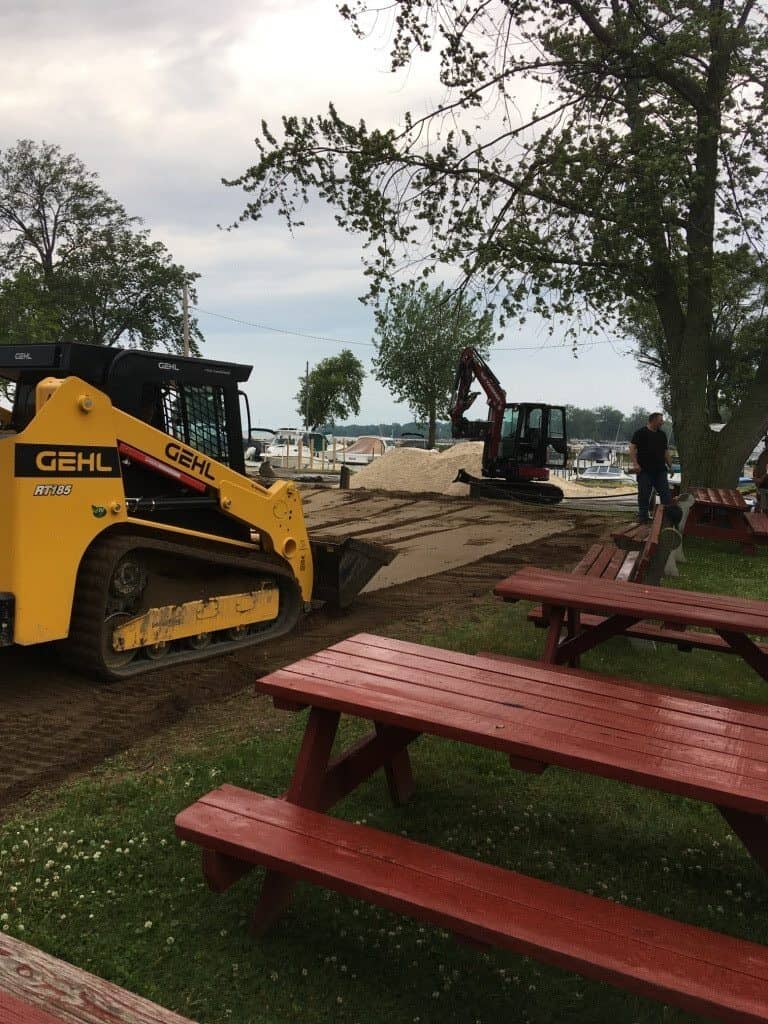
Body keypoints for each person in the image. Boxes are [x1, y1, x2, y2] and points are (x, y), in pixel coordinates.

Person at [629, 412, 673, 524]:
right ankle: (643, 516)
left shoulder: (662, 435)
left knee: (666, 495)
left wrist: (670, 466)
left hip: (660, 470)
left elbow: (665, 452)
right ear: (653, 420)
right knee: (644, 494)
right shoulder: (640, 433)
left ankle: (665, 518)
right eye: (660, 420)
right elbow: (632, 448)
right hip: (644, 471)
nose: (662, 422)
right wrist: (635, 464)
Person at [752, 446, 768, 512]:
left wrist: (761, 479)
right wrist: (755, 474)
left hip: (764, 484)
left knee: (764, 507)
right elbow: (758, 464)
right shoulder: (764, 453)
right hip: (761, 485)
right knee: (760, 503)